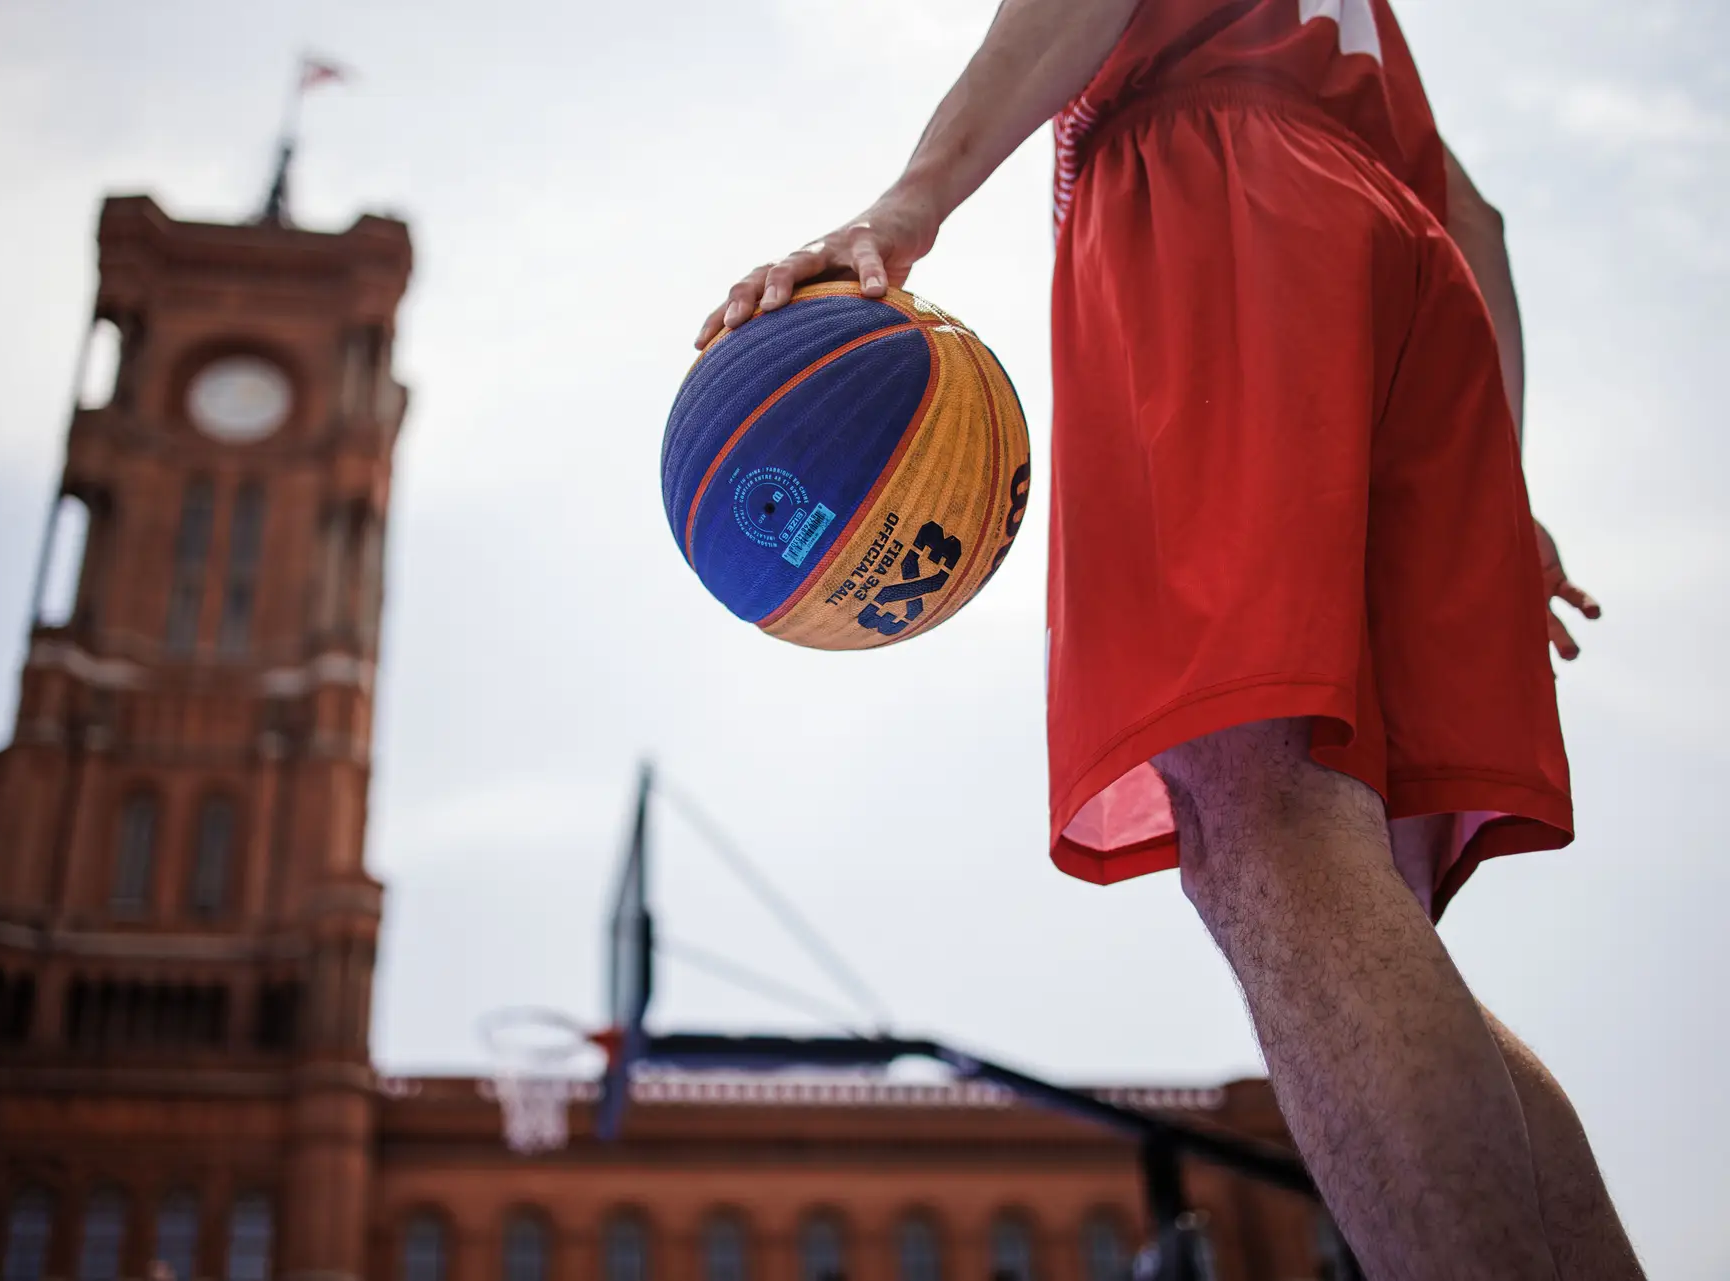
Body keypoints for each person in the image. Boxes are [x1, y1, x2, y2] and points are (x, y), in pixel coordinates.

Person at [696, 1, 1641, 1277]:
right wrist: (1498, 490)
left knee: (1264, 816)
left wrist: (910, 201)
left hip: (1219, 203)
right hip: (1408, 261)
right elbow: (1477, 218)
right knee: (1370, 910)